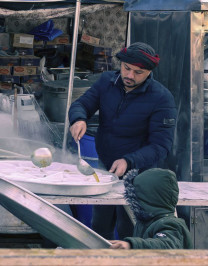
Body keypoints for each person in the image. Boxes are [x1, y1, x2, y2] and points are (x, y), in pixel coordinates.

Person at [68, 42, 177, 240]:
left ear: (149, 72)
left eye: (138, 72)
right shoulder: (106, 82)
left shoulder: (162, 98)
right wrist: (78, 118)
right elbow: (82, 104)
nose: (129, 76)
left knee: (129, 228)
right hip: (105, 168)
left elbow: (161, 146)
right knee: (100, 226)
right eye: (126, 68)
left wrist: (129, 161)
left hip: (140, 175)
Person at [109, 168, 192, 249]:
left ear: (150, 199)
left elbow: (166, 245)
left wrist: (132, 245)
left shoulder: (171, 224)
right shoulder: (145, 221)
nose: (134, 202)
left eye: (138, 197)